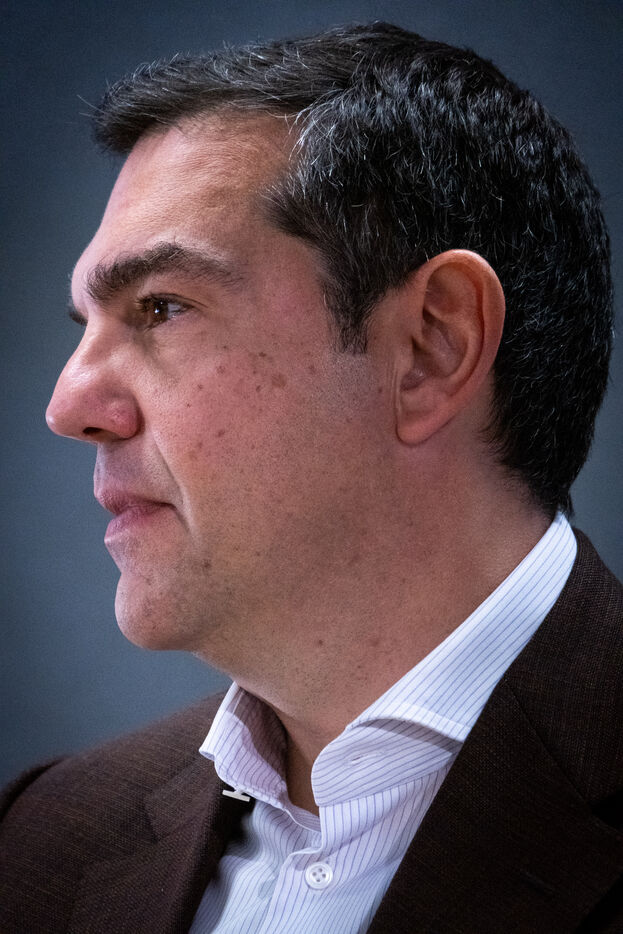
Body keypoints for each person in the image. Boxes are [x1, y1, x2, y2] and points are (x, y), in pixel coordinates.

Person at [1, 21, 621, 934]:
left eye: (161, 308)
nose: (68, 406)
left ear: (430, 348)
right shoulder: (40, 844)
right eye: (83, 327)